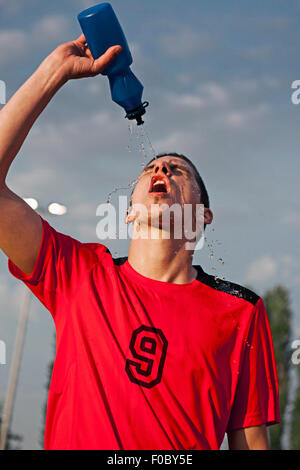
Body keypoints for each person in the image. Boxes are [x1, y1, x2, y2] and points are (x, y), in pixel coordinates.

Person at [0, 35, 280, 450]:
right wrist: (53, 73)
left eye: (178, 170)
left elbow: (252, 443)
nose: (161, 167)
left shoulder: (241, 311)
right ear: (129, 211)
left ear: (202, 216)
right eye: (151, 167)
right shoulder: (80, 275)